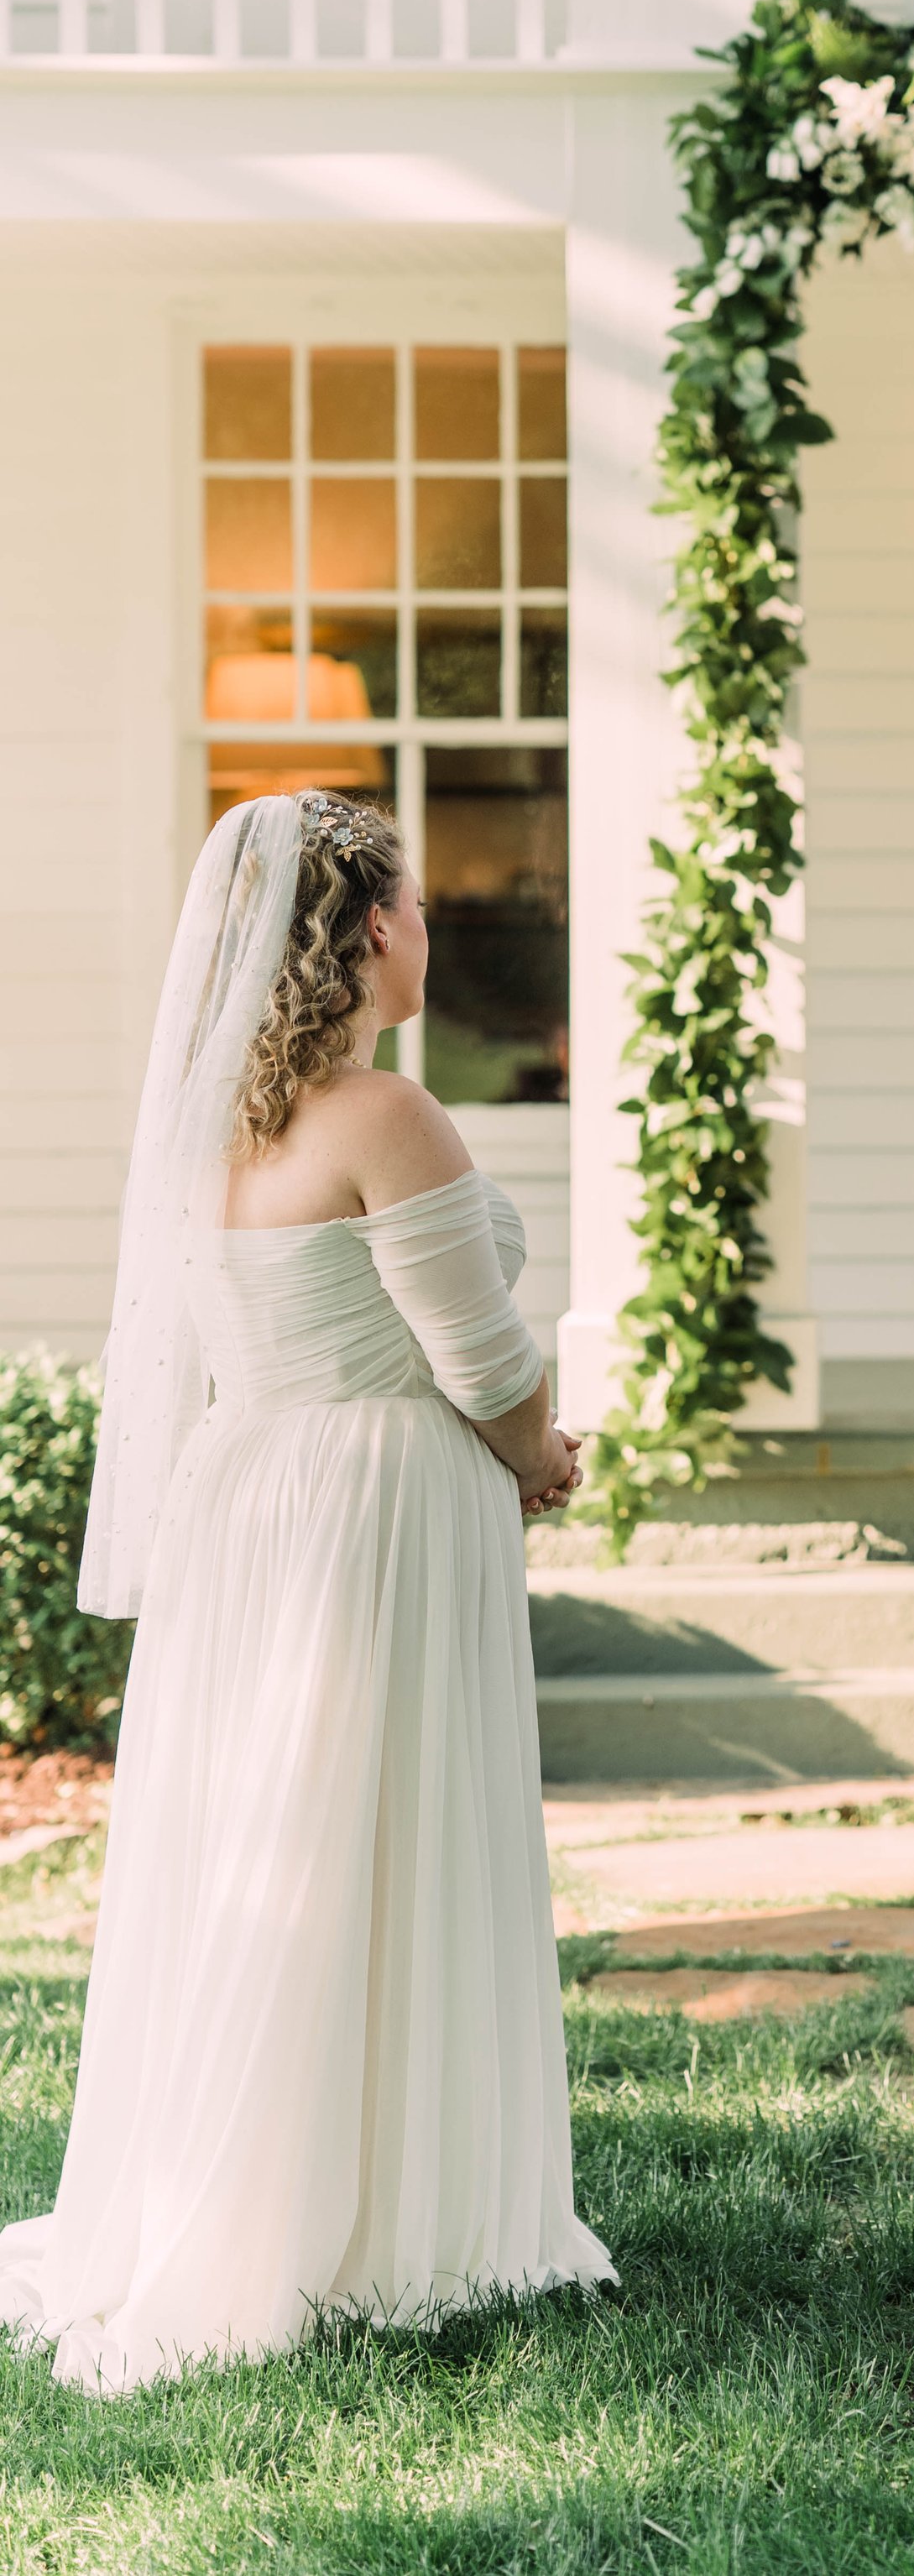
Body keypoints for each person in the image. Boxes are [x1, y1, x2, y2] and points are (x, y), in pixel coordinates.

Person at [0, 792, 614, 2390]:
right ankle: (389, 2221)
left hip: (250, 1496)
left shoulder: (206, 1131)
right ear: (359, 933)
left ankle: (254, 2194)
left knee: (269, 1842)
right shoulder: (387, 1117)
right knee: (391, 1831)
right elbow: (480, 1363)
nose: (430, 928)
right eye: (409, 904)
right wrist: (547, 1454)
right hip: (380, 1502)